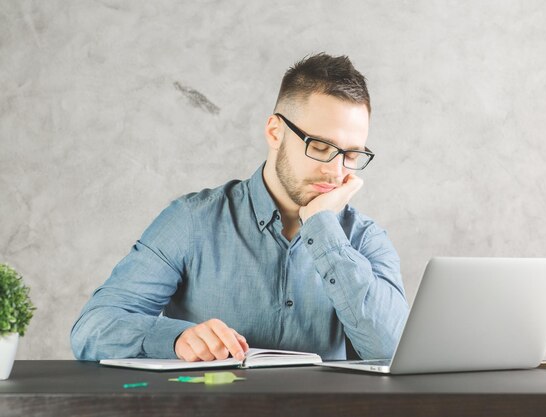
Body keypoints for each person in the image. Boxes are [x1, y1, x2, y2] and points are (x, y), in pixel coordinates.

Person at [71, 53, 409, 362]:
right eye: (320, 147)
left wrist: (321, 225)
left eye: (351, 155)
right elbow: (93, 328)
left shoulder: (365, 240)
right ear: (275, 132)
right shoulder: (192, 221)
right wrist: (176, 339)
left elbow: (393, 351)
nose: (336, 172)